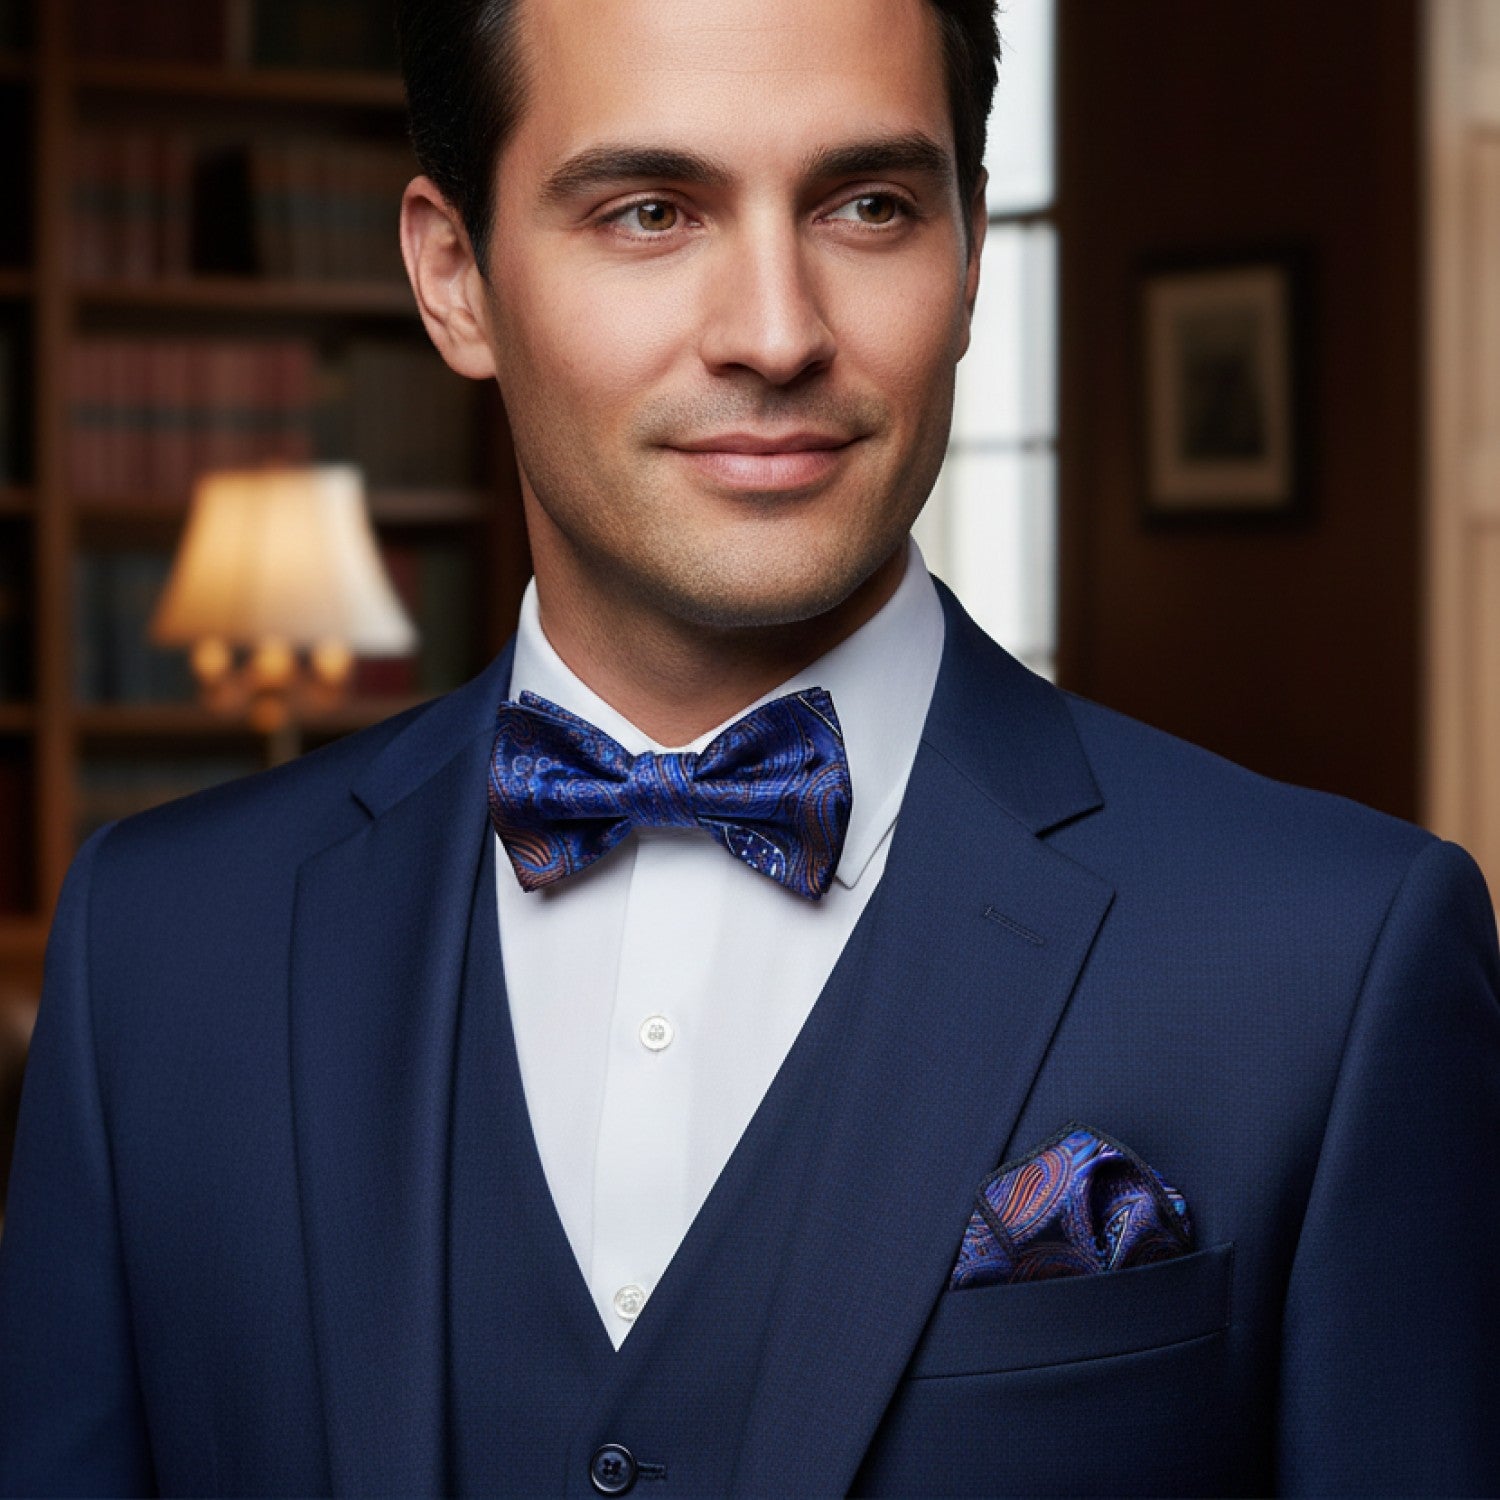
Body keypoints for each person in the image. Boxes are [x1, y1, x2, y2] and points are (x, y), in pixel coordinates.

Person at [2, 0, 1498, 1493]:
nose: (776, 333)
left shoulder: (1335, 956)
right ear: (454, 278)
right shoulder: (158, 948)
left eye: (869, 205)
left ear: (969, 254)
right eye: (651, 211)